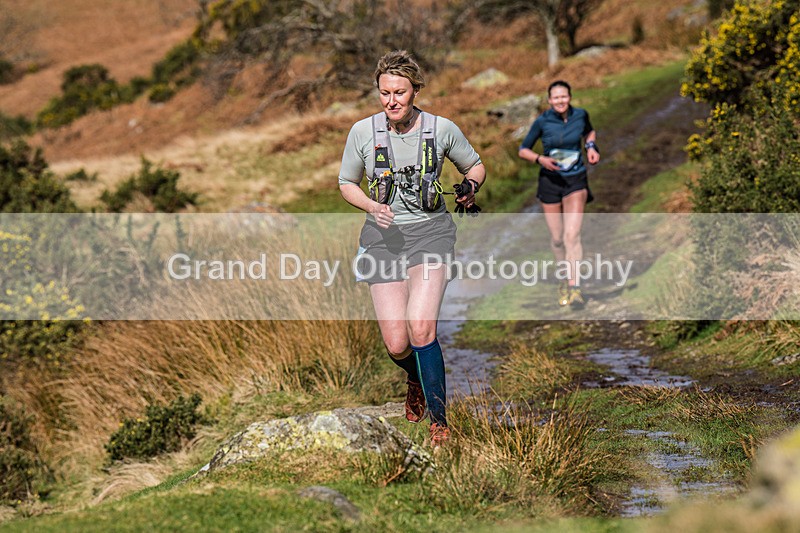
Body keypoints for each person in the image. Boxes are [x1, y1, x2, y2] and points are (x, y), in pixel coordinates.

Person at [338, 50, 486, 447]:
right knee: (397, 343)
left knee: (421, 328)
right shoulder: (362, 132)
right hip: (382, 239)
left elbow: (475, 166)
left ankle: (441, 424)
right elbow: (347, 183)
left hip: (431, 234)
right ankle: (416, 378)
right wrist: (371, 205)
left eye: (399, 92)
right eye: (384, 93)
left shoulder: (441, 129)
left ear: (415, 90)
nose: (391, 101)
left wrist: (470, 189)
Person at [518, 80, 600, 307]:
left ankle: (575, 287)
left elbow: (589, 132)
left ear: (570, 97)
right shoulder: (542, 121)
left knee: (571, 236)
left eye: (564, 97)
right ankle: (564, 279)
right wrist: (540, 159)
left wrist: (591, 147)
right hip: (550, 181)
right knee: (557, 238)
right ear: (549, 100)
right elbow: (523, 149)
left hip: (575, 179)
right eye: (555, 98)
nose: (560, 101)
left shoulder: (581, 115)